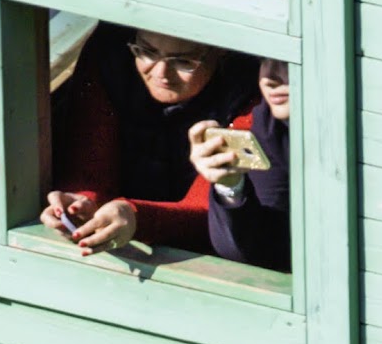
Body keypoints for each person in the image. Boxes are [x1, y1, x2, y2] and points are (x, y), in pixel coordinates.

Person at [41, 26, 260, 258]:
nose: (161, 72)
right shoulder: (111, 52)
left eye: (184, 61)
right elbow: (89, 160)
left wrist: (137, 217)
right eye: (147, 51)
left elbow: (212, 212)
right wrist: (81, 203)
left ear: (221, 52)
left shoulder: (250, 92)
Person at [192, 54, 292, 270]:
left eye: (288, 61)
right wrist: (230, 184)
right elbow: (258, 249)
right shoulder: (270, 125)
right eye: (265, 60)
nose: (270, 78)